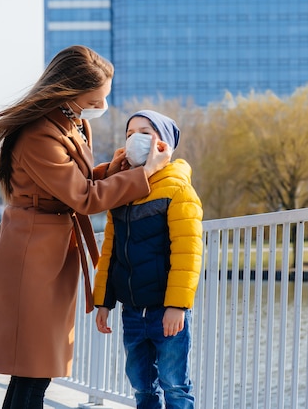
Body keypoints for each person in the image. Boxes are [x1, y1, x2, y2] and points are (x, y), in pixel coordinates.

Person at [0, 46, 172, 409]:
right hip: (31, 253)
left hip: (49, 249)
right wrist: (144, 174)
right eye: (98, 95)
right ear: (73, 91)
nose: (104, 101)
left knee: (35, 371)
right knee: (32, 370)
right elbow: (84, 198)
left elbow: (79, 183)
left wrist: (119, 167)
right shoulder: (39, 135)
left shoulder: (72, 123)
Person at [93, 110, 203, 409]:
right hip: (132, 311)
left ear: (163, 143)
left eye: (144, 132)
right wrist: (102, 301)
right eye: (129, 134)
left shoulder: (178, 188)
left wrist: (177, 306)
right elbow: (110, 251)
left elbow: (188, 253)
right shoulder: (123, 188)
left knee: (174, 385)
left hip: (165, 311)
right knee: (141, 386)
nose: (134, 139)